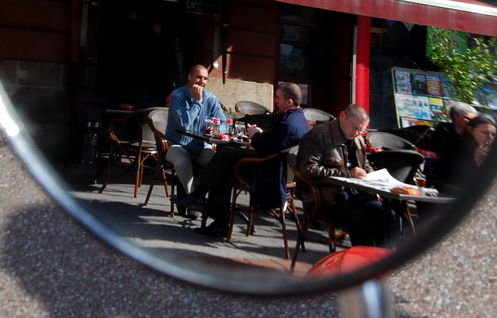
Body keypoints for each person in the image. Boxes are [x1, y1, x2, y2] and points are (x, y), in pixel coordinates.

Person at [195, 83, 310, 237]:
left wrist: (255, 135)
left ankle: (213, 215)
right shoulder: (300, 120)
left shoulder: (288, 124)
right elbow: (277, 143)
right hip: (281, 174)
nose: (275, 101)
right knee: (225, 156)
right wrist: (261, 134)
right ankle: (202, 200)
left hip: (267, 175)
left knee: (223, 165)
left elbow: (266, 150)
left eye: (278, 98)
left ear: (289, 101)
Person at [295, 104, 395, 248]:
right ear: (342, 116)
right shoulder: (318, 135)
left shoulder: (358, 139)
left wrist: (374, 176)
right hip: (326, 198)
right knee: (362, 219)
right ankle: (362, 264)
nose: (357, 133)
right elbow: (308, 170)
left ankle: (385, 259)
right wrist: (347, 174)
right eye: (355, 127)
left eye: (362, 130)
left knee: (388, 215)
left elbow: (364, 165)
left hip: (355, 194)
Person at [165, 65, 225, 205]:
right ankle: (193, 197)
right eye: (198, 77)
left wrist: (216, 129)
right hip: (177, 144)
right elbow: (184, 125)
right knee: (183, 162)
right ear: (189, 77)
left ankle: (205, 200)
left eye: (205, 78)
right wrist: (197, 102)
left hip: (201, 145)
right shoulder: (177, 96)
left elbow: (224, 123)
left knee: (217, 164)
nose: (202, 81)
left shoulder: (211, 98)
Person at [419, 102, 477, 190]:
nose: (470, 122)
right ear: (455, 116)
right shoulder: (443, 129)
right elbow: (441, 149)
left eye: (473, 120)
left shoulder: (472, 135)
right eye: (467, 118)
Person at [438, 115, 497, 196]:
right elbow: (453, 177)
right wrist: (476, 161)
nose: (490, 138)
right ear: (470, 130)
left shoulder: (493, 151)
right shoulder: (454, 146)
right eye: (485, 133)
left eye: (493, 135)